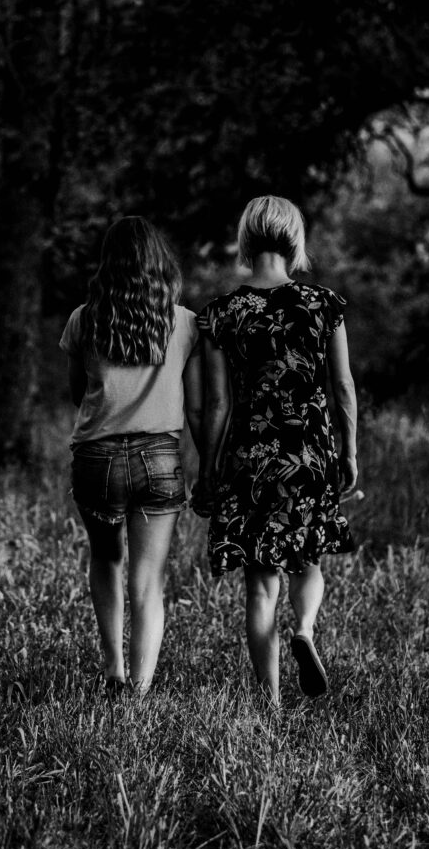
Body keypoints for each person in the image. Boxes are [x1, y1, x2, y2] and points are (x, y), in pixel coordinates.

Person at [195, 195, 357, 704]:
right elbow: (343, 386)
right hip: (309, 453)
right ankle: (304, 630)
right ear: (293, 240)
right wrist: (349, 453)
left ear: (246, 241)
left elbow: (217, 402)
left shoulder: (223, 313)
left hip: (251, 457)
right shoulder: (322, 305)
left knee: (261, 584)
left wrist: (208, 467)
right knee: (309, 562)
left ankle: (271, 703)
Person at [60, 217, 202, 696]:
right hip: (159, 458)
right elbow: (197, 397)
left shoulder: (84, 319)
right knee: (148, 581)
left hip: (96, 457)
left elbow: (77, 392)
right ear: (159, 262)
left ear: (109, 263)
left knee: (106, 559)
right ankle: (139, 693)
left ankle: (113, 669)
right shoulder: (184, 322)